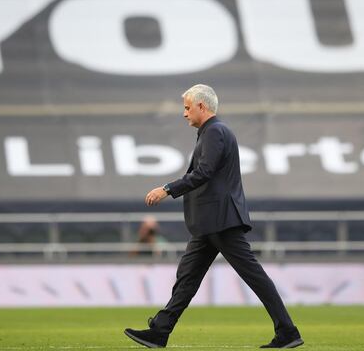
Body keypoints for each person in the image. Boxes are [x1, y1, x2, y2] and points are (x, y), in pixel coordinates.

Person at [124, 84, 303, 349]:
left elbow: (203, 172)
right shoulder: (211, 133)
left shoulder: (215, 132)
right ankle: (160, 331)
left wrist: (167, 189)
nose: (184, 114)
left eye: (187, 108)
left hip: (221, 219)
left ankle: (287, 331)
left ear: (201, 106)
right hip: (211, 222)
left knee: (253, 275)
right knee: (187, 277)